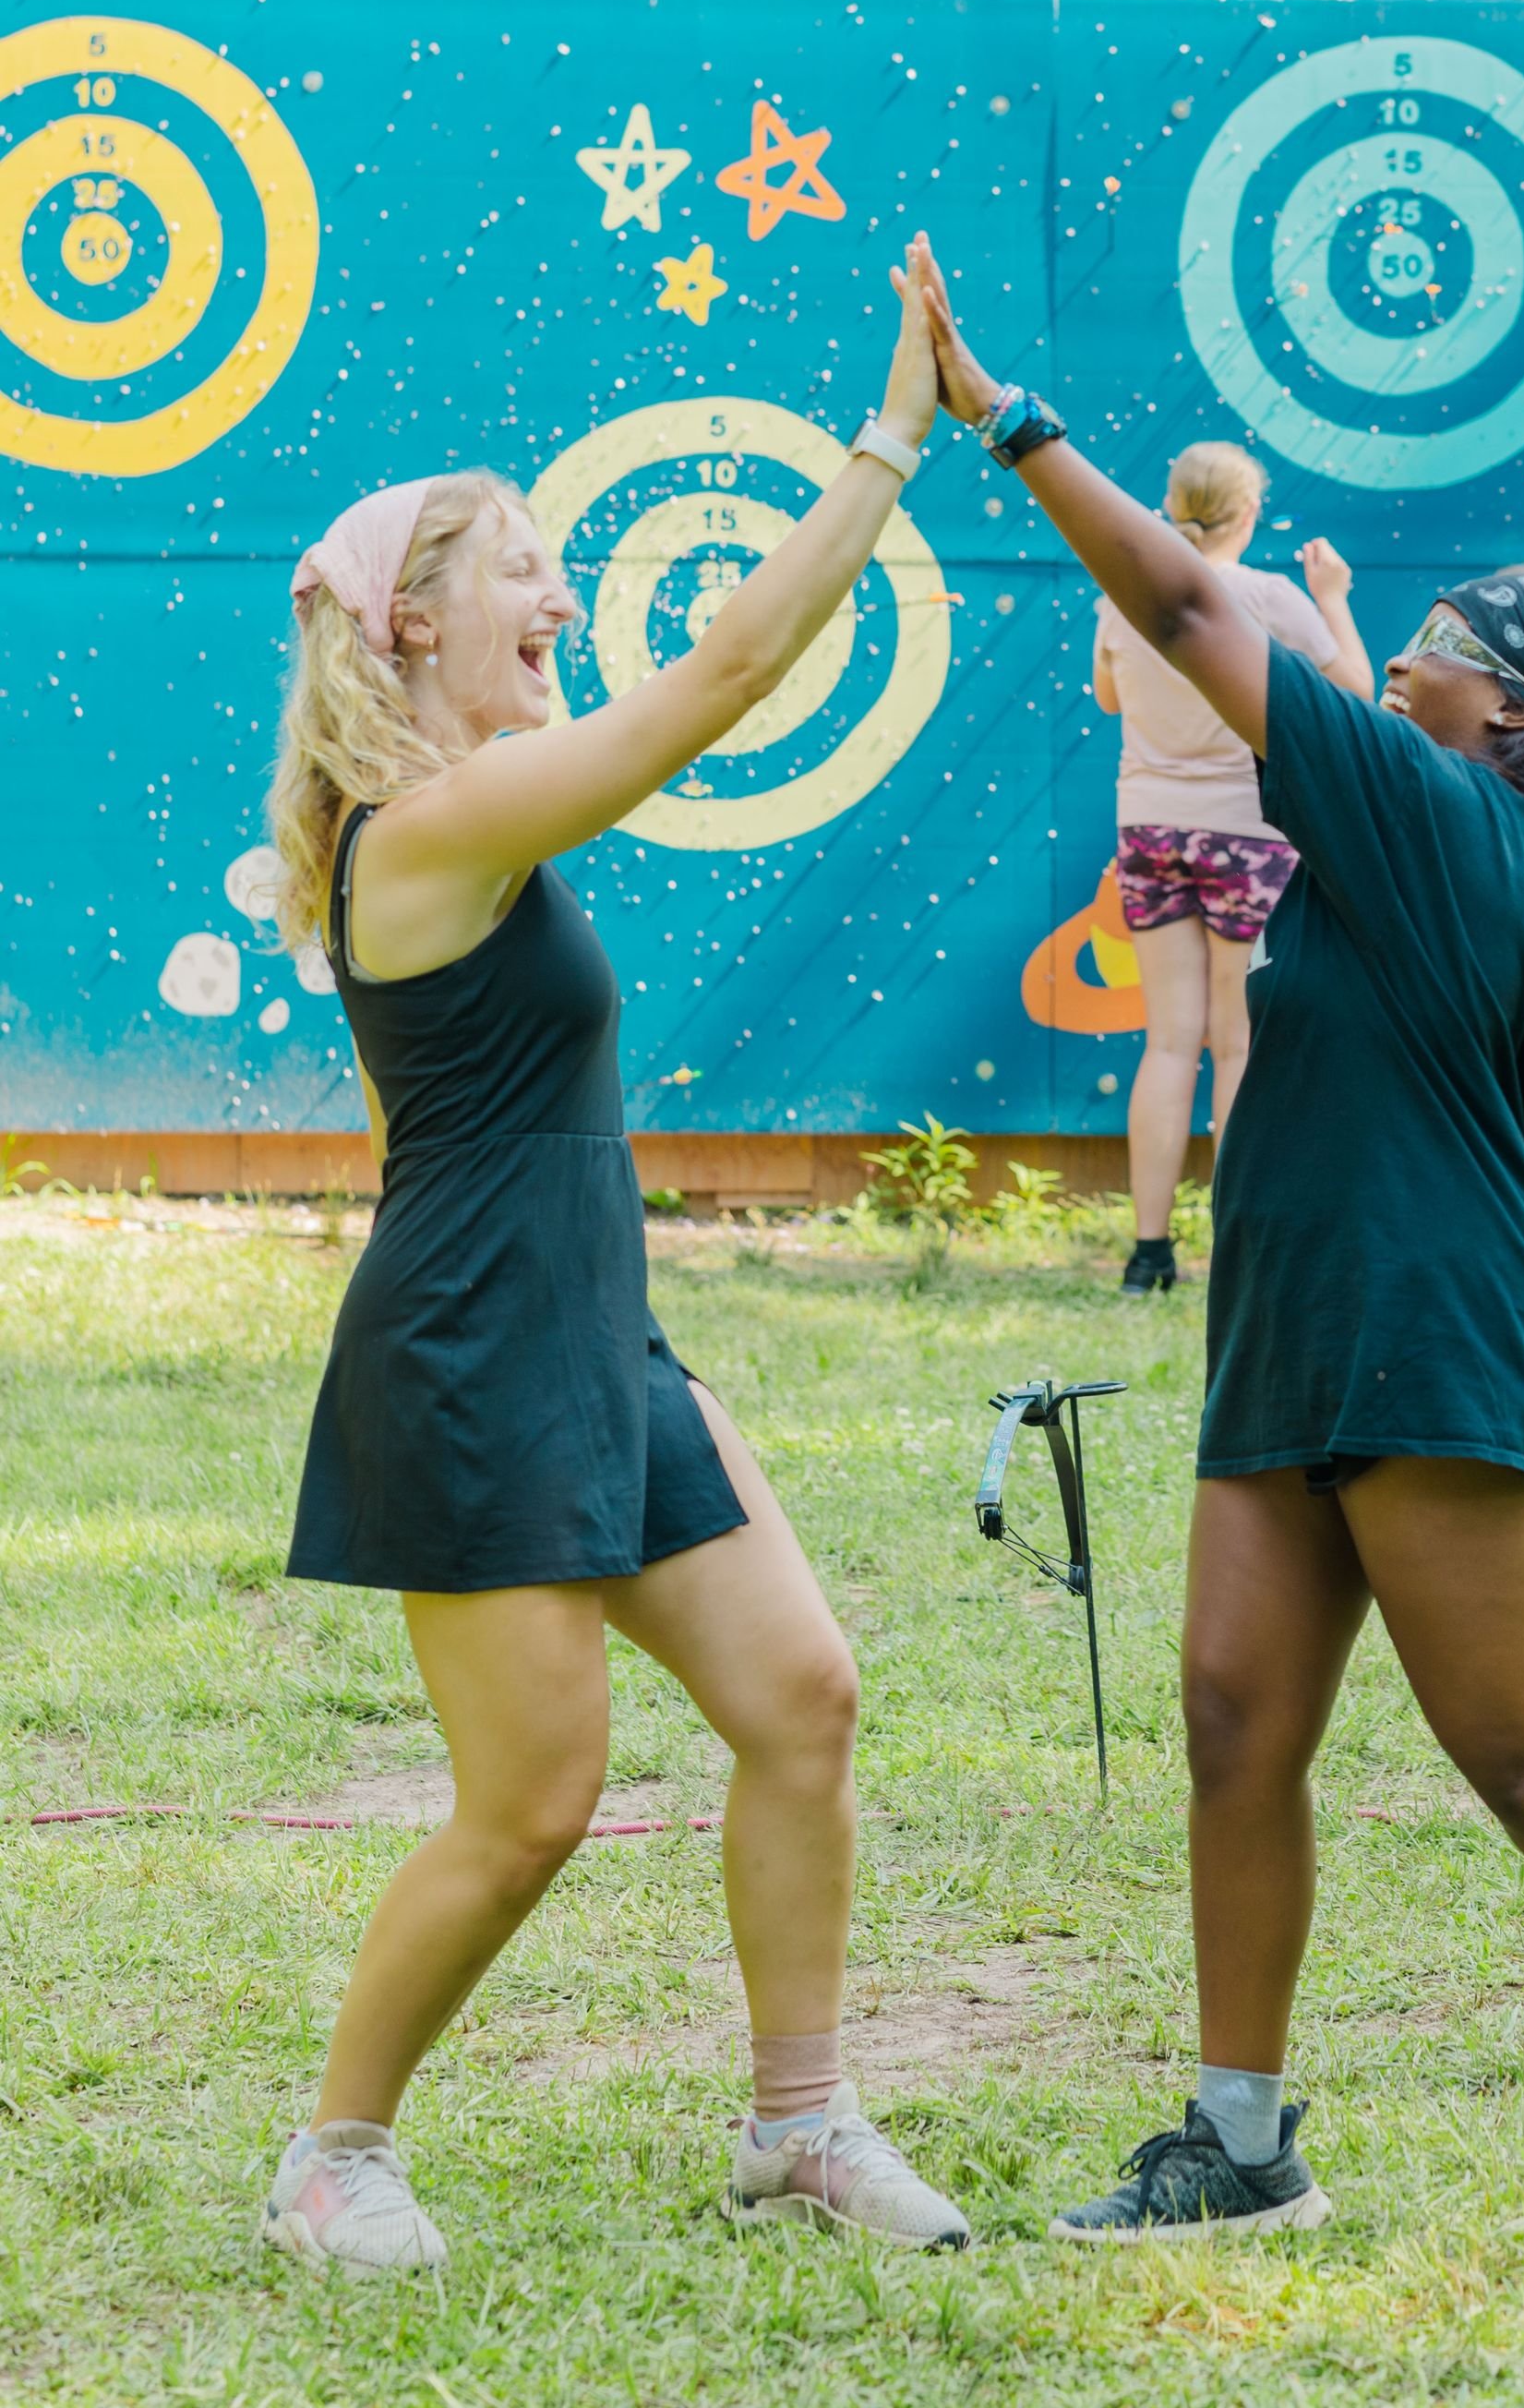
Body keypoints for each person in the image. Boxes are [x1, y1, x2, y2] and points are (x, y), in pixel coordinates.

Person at [918, 249, 1524, 2276]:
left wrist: (1006, 415)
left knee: (1517, 1751)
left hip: (1426, 1347)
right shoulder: (1491, 866)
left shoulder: (1426, 801)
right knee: (1236, 1720)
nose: (1388, 655)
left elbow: (1176, 600)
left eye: (1419, 643)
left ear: (1488, 712)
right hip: (1294, 1334)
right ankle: (1241, 2140)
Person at [258, 237, 970, 2276]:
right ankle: (332, 2152)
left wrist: (625, 1341)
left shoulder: (475, 833)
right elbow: (720, 681)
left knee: (802, 1696)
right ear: (411, 624)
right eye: (529, 573)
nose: (566, 599)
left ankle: (800, 2119)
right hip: (478, 1357)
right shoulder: (432, 832)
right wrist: (886, 443)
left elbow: (442, 1137)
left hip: (575, 1334)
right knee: (534, 1799)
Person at [1093, 439, 1373, 1293]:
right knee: (1237, 1045)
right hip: (1248, 837)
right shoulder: (1270, 597)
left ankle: (1148, 1256)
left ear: (1173, 500)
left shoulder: (1125, 589)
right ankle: (1239, 1254)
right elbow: (1357, 692)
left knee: (1168, 1042)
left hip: (1149, 829)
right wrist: (1333, 598)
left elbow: (1109, 697)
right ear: (1249, 513)